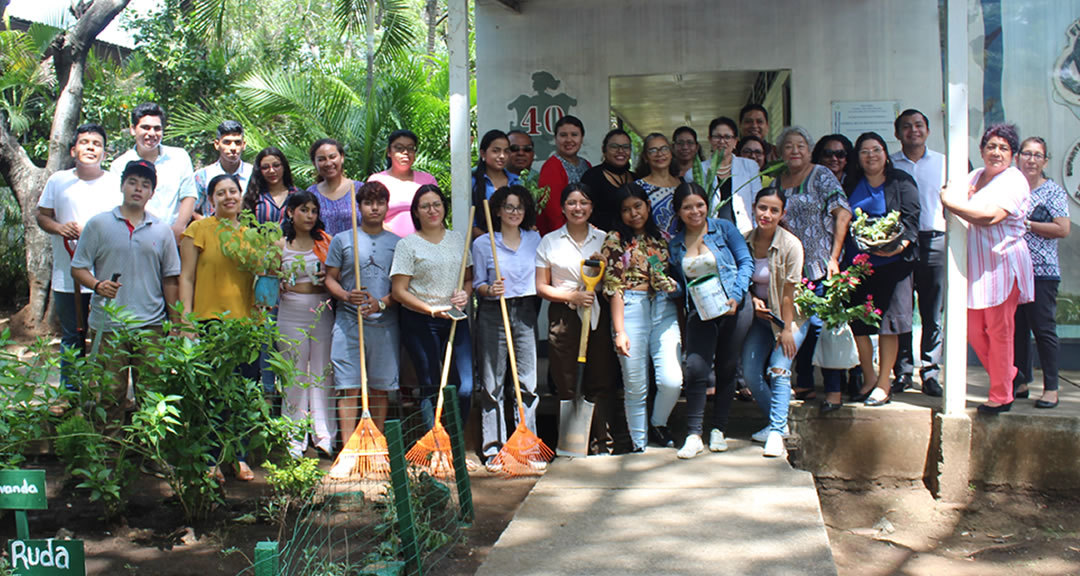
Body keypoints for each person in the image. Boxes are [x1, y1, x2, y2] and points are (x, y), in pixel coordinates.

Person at [70, 160, 180, 431]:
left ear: (152, 192)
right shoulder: (99, 224)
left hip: (151, 326)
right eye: (132, 182)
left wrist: (175, 322)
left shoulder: (162, 230)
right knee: (109, 396)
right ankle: (108, 460)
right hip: (109, 325)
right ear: (122, 186)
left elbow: (170, 279)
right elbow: (78, 268)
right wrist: (97, 285)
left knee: (153, 396)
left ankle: (151, 457)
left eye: (145, 185)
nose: (138, 189)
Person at [939, 123, 1033, 414]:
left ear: (1013, 155)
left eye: (1004, 148)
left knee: (999, 331)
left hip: (1004, 266)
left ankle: (1001, 395)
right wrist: (951, 199)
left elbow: (989, 217)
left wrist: (952, 203)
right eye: (991, 146)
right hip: (975, 269)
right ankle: (1010, 375)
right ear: (981, 150)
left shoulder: (1014, 180)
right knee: (973, 331)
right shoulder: (974, 176)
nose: (996, 152)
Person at [536, 183, 628, 454]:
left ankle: (604, 442)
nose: (578, 208)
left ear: (592, 207)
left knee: (601, 377)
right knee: (566, 378)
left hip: (597, 310)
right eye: (572, 203)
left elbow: (616, 280)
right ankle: (573, 444)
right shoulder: (550, 241)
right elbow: (541, 286)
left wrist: (603, 264)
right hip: (564, 313)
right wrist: (571, 298)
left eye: (584, 202)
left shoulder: (605, 239)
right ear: (563, 208)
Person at [179, 173, 257, 480]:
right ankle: (211, 458)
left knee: (242, 393)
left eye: (233, 191)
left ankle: (239, 456)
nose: (228, 197)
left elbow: (261, 278)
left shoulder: (253, 234)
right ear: (210, 199)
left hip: (246, 324)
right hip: (209, 321)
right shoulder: (198, 229)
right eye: (221, 192)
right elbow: (186, 276)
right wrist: (186, 319)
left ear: (241, 196)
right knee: (212, 393)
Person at [667, 182, 753, 459]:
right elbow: (682, 286)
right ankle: (694, 434)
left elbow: (745, 263)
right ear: (678, 212)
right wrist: (670, 286)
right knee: (695, 368)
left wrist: (737, 297)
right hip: (701, 310)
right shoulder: (675, 244)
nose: (695, 211)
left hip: (734, 307)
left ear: (707, 205)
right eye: (687, 207)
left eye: (699, 205)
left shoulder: (724, 229)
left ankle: (718, 429)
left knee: (728, 367)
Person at [36, 123, 121, 389]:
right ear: (74, 150)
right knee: (72, 336)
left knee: (106, 336)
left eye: (96, 144)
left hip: (106, 277)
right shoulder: (58, 181)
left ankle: (106, 392)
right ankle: (70, 392)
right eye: (85, 143)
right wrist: (60, 228)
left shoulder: (114, 182)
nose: (90, 148)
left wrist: (93, 232)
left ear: (104, 153)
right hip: (66, 276)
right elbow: (42, 216)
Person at [324, 182, 400, 467]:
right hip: (348, 324)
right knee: (349, 387)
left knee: (380, 389)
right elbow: (329, 277)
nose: (374, 208)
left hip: (385, 325)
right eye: (368, 203)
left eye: (380, 202)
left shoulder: (397, 243)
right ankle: (348, 451)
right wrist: (346, 294)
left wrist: (382, 302)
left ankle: (375, 448)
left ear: (386, 206)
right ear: (360, 206)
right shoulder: (343, 240)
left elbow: (403, 287)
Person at [775, 126, 852, 405]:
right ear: (781, 152)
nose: (794, 151)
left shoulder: (821, 175)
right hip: (791, 270)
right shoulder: (777, 182)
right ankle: (805, 383)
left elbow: (843, 213)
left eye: (801, 146)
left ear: (809, 151)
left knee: (824, 328)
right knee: (798, 328)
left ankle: (833, 390)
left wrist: (834, 257)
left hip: (820, 266)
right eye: (788, 147)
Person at [601, 183, 681, 452]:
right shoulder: (615, 240)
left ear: (648, 206)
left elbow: (660, 273)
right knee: (635, 384)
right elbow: (614, 286)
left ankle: (658, 424)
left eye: (638, 206)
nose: (633, 213)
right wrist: (619, 330)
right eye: (626, 209)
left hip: (662, 307)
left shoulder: (658, 238)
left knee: (672, 380)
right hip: (631, 308)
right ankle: (639, 445)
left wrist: (669, 284)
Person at [843, 133, 920, 407]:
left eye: (876, 149)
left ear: (886, 153)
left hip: (893, 264)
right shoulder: (851, 183)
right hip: (858, 266)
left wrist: (895, 247)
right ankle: (868, 377)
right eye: (864, 151)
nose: (871, 155)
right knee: (859, 324)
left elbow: (911, 221)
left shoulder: (901, 182)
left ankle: (884, 382)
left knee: (890, 324)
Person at [472, 186, 542, 471]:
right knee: (493, 382)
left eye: (520, 207)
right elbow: (477, 284)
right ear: (498, 210)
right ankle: (494, 449)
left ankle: (528, 446)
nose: (514, 212)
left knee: (527, 382)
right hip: (492, 312)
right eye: (509, 207)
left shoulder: (535, 239)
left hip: (525, 310)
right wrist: (490, 288)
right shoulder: (483, 243)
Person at [391, 184, 473, 426]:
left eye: (436, 204)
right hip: (420, 320)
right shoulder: (407, 245)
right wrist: (429, 309)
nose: (432, 210)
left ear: (444, 208)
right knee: (431, 384)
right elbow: (398, 291)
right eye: (425, 206)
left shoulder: (458, 240)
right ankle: (434, 447)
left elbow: (468, 279)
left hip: (455, 318)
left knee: (465, 386)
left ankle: (455, 442)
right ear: (416, 212)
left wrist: (465, 295)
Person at [740, 187, 805, 456]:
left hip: (791, 316)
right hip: (760, 316)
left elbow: (789, 293)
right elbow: (740, 280)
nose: (766, 214)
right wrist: (753, 300)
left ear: (782, 214)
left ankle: (776, 432)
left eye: (774, 210)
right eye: (762, 208)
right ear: (754, 207)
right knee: (750, 372)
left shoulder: (791, 245)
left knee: (779, 368)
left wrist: (787, 330)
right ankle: (776, 422)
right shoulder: (743, 241)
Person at [890, 109, 946, 397]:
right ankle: (902, 371)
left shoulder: (944, 163)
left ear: (927, 130)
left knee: (932, 311)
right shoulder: (890, 164)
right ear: (897, 133)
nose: (914, 130)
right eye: (907, 127)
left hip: (934, 240)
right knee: (902, 310)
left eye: (919, 125)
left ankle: (930, 371)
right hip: (900, 243)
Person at [1013, 137, 1069, 409]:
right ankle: (1020, 381)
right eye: (1027, 154)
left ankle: (1051, 388)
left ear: (1045, 161)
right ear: (1018, 158)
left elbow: (1062, 228)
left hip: (1042, 272)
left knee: (1043, 329)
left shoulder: (1054, 192)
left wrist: (1029, 225)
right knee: (1016, 329)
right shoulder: (1009, 189)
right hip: (1011, 270)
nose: (1031, 160)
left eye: (1038, 155)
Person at [277, 191, 334, 458]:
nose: (310, 215)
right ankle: (293, 438)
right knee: (294, 374)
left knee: (322, 373)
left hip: (323, 309)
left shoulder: (325, 243)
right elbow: (267, 281)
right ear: (290, 212)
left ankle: (324, 436)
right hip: (290, 312)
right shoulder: (279, 245)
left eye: (313, 210)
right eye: (304, 210)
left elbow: (337, 276)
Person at [110, 102, 196, 241]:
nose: (152, 133)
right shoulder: (119, 165)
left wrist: (178, 229)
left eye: (157, 128)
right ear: (133, 129)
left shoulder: (179, 157)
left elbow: (189, 195)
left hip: (173, 237)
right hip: (134, 237)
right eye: (145, 127)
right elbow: (119, 203)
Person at [368, 130, 438, 238]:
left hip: (424, 243)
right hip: (386, 242)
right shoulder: (377, 180)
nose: (405, 152)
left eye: (410, 148)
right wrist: (394, 239)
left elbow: (437, 212)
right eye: (399, 148)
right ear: (389, 152)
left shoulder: (427, 180)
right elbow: (370, 215)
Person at [702, 116, 763, 232]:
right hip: (712, 236)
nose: (722, 141)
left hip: (745, 233)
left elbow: (758, 203)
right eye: (717, 137)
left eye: (727, 137)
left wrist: (757, 234)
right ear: (709, 140)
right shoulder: (699, 171)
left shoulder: (749, 167)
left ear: (735, 142)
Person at [537, 115, 591, 234]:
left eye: (574, 135)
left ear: (582, 138)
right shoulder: (551, 167)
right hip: (561, 235)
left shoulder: (586, 164)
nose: (569, 140)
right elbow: (553, 211)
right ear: (555, 138)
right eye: (563, 135)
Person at [193, 120, 252, 217]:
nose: (233, 148)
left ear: (243, 145)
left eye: (237, 142)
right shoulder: (203, 176)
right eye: (227, 142)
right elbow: (191, 209)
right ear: (217, 144)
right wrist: (206, 226)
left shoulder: (253, 174)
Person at [307, 139, 362, 237]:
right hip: (322, 251)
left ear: (342, 157)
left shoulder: (359, 189)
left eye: (332, 157)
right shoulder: (311, 194)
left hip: (357, 250)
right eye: (321, 159)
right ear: (314, 163)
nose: (328, 163)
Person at [581, 129, 634, 232]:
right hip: (600, 241)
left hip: (633, 242)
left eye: (625, 147)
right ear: (604, 149)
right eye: (614, 146)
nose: (620, 151)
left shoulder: (636, 178)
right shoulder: (592, 177)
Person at [471, 129, 521, 238]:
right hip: (484, 246)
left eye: (506, 151)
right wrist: (494, 243)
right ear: (483, 153)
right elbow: (472, 226)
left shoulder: (516, 182)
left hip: (513, 244)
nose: (502, 156)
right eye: (496, 151)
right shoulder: (473, 182)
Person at [634, 133, 682, 239]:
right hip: (652, 248)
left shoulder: (681, 184)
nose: (660, 154)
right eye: (653, 150)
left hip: (681, 246)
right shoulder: (638, 187)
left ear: (671, 153)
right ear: (645, 157)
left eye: (664, 149)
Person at [242, 147, 299, 225]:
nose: (271, 171)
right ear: (259, 170)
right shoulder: (254, 197)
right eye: (265, 167)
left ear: (284, 167)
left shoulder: (297, 194)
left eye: (276, 165)